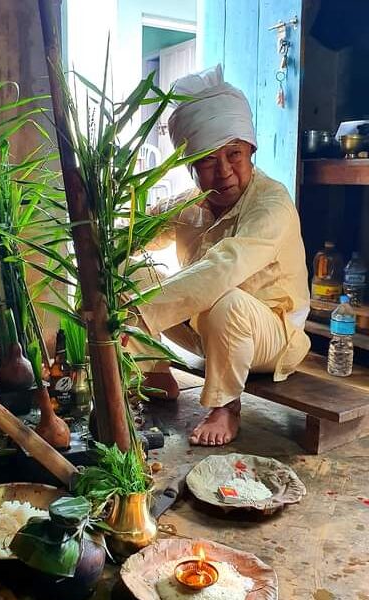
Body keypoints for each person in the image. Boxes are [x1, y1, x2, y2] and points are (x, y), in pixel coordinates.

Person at [132, 65, 311, 447]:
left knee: (223, 298)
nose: (225, 172)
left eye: (234, 155)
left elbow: (222, 267)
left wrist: (137, 313)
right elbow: (138, 234)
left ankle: (226, 407)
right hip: (207, 331)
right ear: (191, 166)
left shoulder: (272, 204)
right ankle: (154, 374)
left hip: (271, 336)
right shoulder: (192, 203)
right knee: (134, 276)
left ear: (251, 151)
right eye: (209, 161)